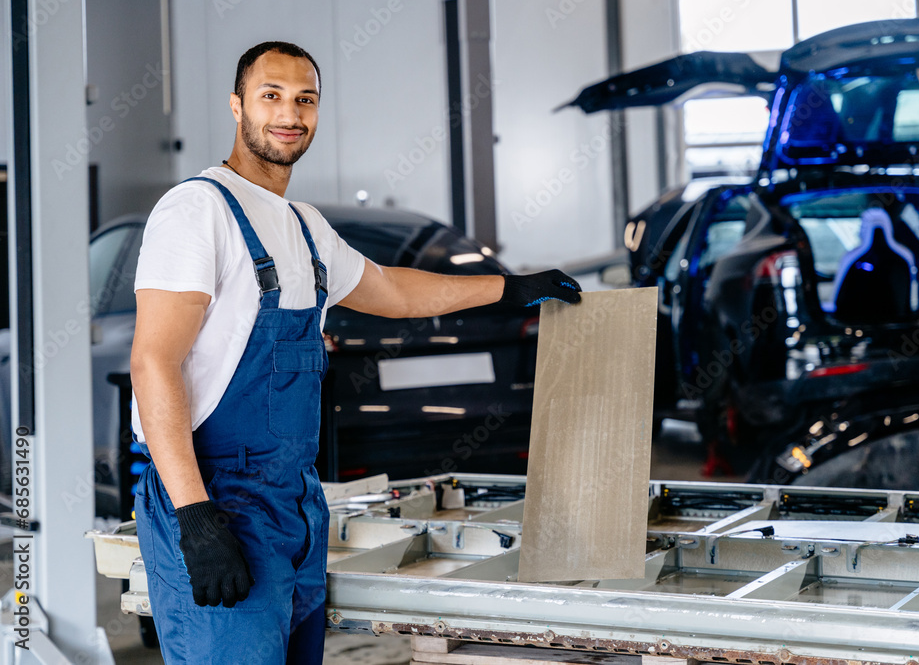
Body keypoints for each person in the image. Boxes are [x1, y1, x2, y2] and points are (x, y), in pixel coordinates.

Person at [129, 41, 581, 664]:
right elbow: (154, 362)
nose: (290, 114)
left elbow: (392, 289)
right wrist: (196, 517)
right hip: (218, 498)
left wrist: (510, 289)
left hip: (295, 500)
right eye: (272, 97)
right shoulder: (198, 210)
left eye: (305, 100)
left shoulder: (305, 227)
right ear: (237, 107)